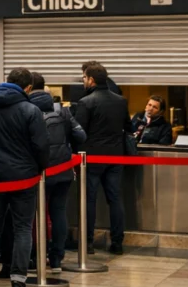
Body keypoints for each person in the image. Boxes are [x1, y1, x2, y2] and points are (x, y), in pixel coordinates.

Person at [0, 68, 49, 287]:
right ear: (28, 88)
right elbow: (41, 146)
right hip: (24, 177)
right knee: (23, 228)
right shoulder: (31, 110)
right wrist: (39, 169)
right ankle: (18, 280)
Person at [29, 73, 85, 273]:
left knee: (35, 215)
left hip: (39, 171)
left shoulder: (28, 110)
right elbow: (81, 135)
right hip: (64, 168)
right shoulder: (63, 111)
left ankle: (37, 256)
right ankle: (56, 259)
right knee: (58, 212)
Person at [72, 63, 130, 255]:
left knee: (89, 199)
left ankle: (87, 242)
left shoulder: (86, 102)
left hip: (92, 158)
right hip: (116, 156)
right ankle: (117, 242)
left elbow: (79, 133)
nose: (83, 81)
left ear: (91, 80)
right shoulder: (121, 101)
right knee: (114, 198)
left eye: (84, 78)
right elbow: (128, 127)